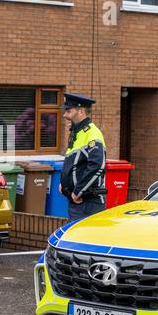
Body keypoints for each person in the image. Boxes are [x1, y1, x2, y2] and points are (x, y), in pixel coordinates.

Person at [60, 92, 107, 221]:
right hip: (76, 201)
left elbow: (97, 166)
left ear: (80, 111)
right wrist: (62, 183)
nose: (65, 115)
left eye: (68, 111)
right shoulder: (76, 133)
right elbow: (73, 163)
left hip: (88, 203)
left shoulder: (92, 133)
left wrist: (78, 191)